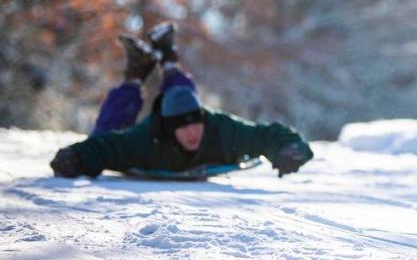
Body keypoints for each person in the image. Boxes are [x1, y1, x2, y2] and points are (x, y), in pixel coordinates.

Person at [50, 22, 313, 179]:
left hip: (183, 115)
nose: (192, 132)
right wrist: (74, 158)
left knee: (183, 100)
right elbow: (104, 147)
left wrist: (290, 149)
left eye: (195, 124)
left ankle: (169, 61)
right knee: (106, 131)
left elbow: (266, 135)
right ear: (168, 130)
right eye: (183, 127)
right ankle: (136, 74)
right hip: (149, 135)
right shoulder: (144, 140)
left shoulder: (219, 129)